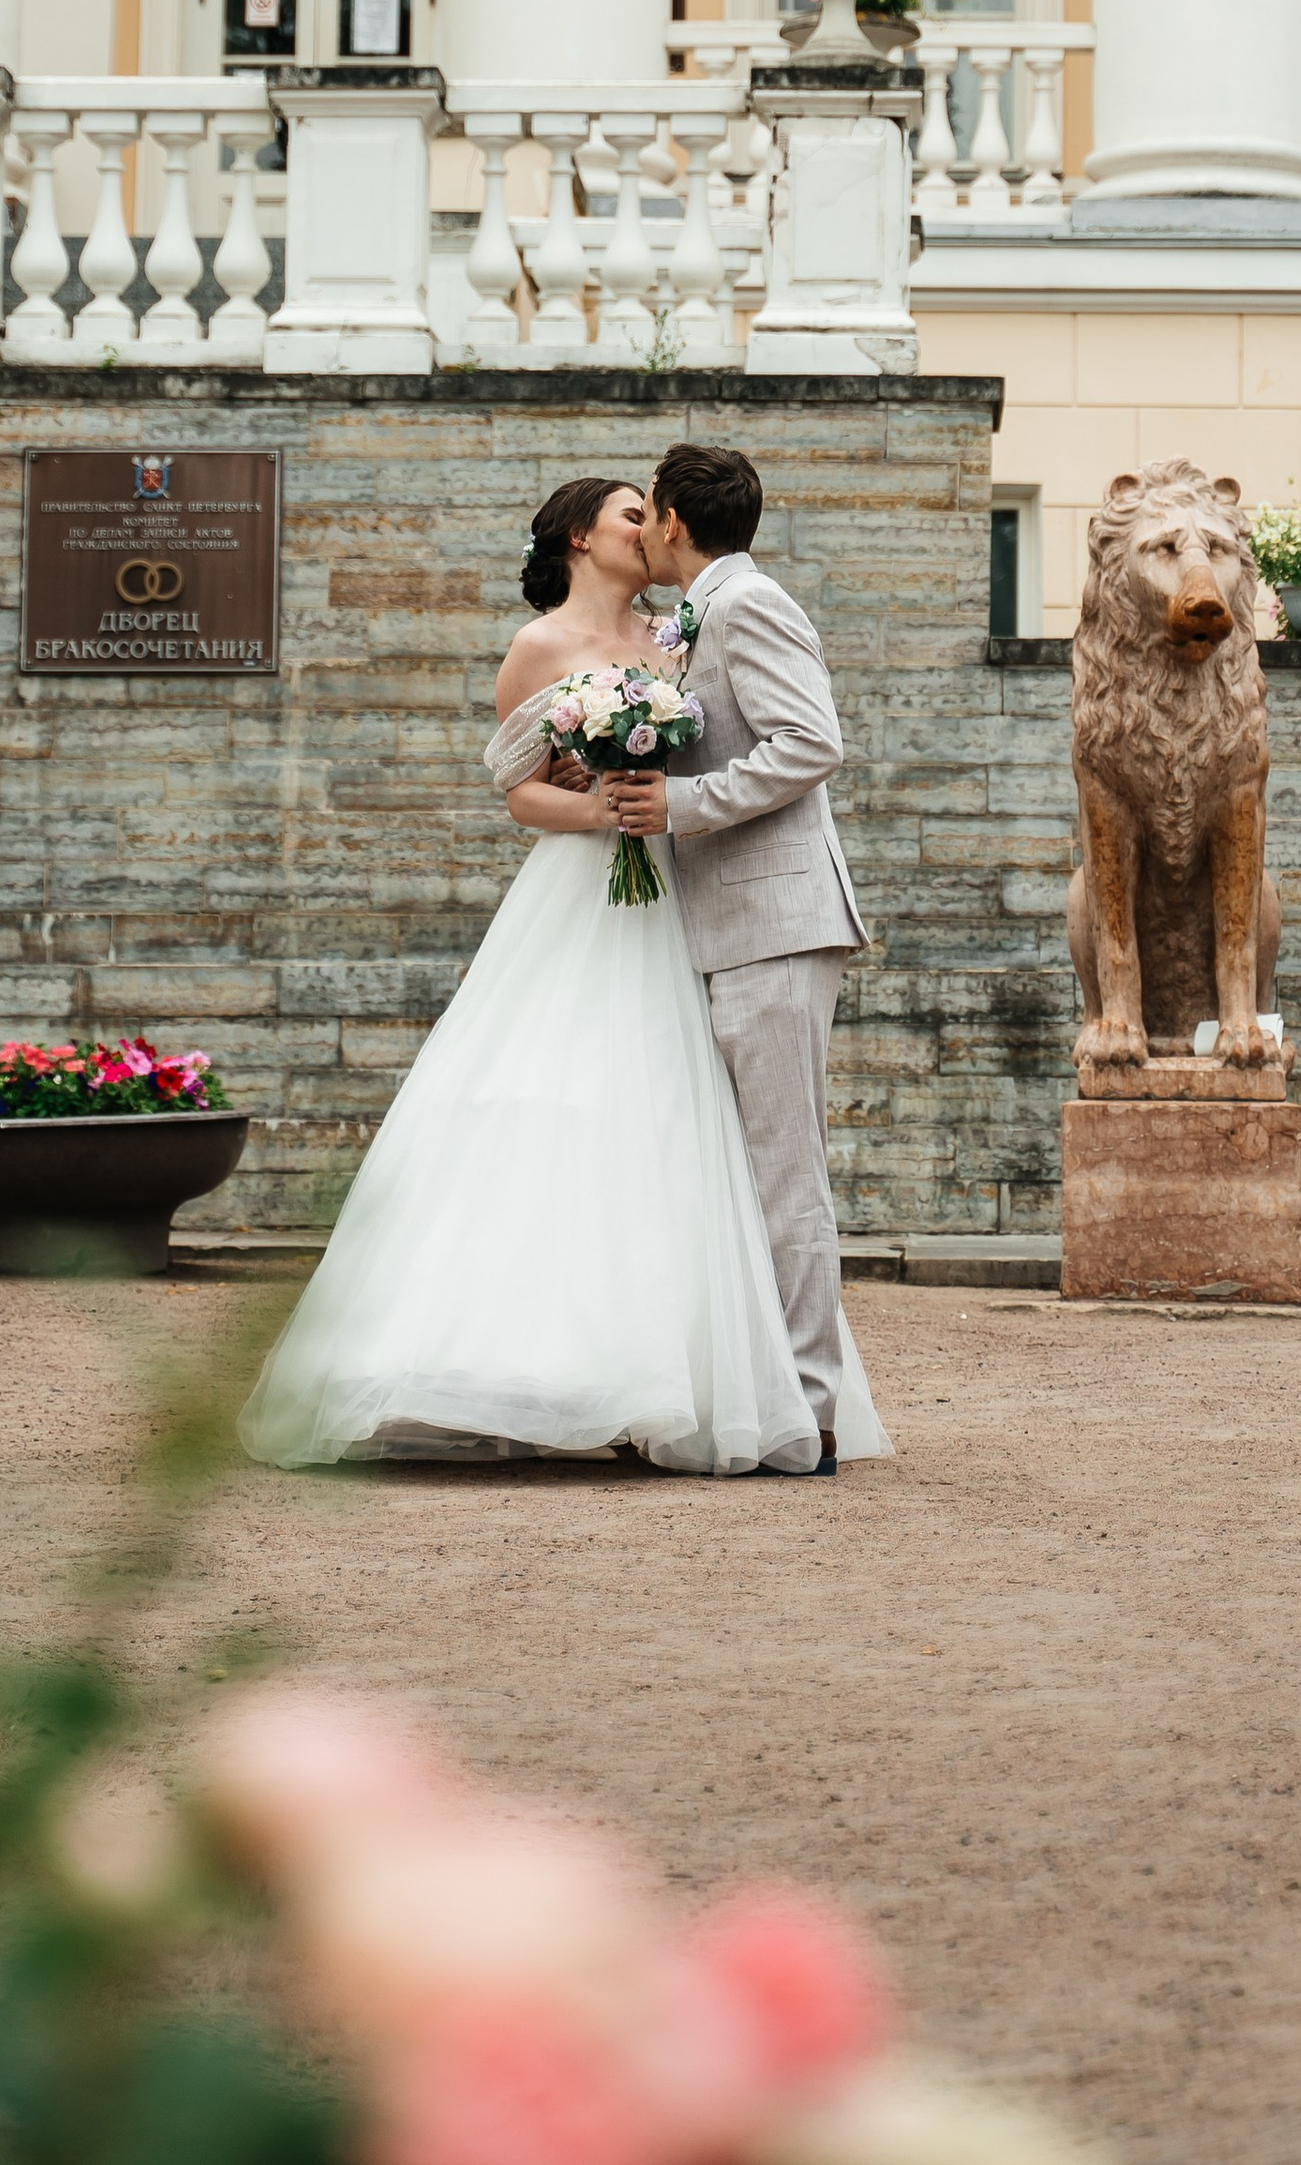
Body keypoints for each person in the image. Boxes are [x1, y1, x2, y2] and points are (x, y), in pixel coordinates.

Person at [237, 473, 888, 1480]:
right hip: (590, 893)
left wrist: (657, 802)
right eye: (629, 514)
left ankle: (702, 1381)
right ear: (580, 537)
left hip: (689, 900)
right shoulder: (541, 649)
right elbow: (519, 793)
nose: (647, 528)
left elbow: (740, 753)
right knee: (553, 1110)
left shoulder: (680, 632)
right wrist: (605, 813)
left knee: (687, 1138)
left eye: (652, 511)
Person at [605, 443, 867, 1476]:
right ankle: (754, 1394)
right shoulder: (696, 613)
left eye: (647, 511)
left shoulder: (749, 603)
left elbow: (811, 743)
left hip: (776, 925)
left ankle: (806, 1412)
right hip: (725, 925)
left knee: (782, 1172)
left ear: (672, 519)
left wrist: (683, 804)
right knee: (736, 1173)